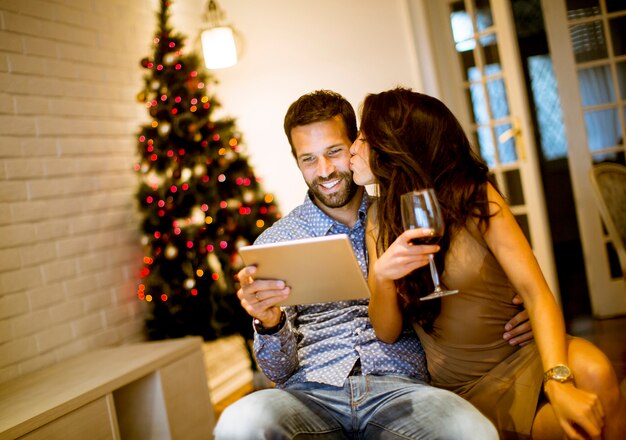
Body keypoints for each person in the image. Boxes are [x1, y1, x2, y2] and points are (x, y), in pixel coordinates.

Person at [214, 90, 531, 439]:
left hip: (403, 389)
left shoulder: (401, 215)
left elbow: (461, 277)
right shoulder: (275, 242)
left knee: (471, 431)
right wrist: (270, 324)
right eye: (309, 159)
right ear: (296, 161)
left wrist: (512, 307)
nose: (325, 171)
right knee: (239, 422)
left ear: (356, 146)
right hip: (310, 395)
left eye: (334, 152)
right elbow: (277, 368)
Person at [349, 87, 626, 439]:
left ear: (396, 147)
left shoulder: (475, 195)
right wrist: (382, 278)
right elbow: (386, 331)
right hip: (467, 382)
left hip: (522, 351)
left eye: (362, 137)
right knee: (574, 428)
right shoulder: (378, 220)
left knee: (599, 372)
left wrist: (556, 381)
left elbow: (535, 292)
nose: (353, 149)